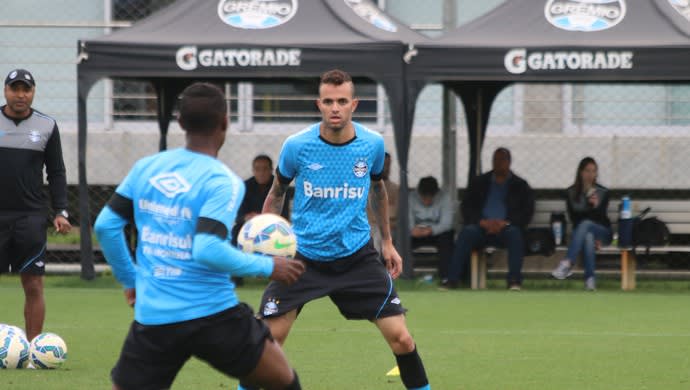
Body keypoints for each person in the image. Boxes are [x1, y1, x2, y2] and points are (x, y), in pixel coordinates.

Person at [94, 82, 305, 390]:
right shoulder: (223, 182)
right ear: (225, 122)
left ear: (180, 123)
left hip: (155, 319)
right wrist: (269, 267)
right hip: (214, 315)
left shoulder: (146, 168)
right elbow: (206, 248)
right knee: (283, 381)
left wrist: (131, 280)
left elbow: (106, 226)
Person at [238, 69, 431, 390]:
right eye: (328, 101)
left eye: (342, 101)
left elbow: (378, 190)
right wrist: (265, 241)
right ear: (319, 104)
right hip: (303, 258)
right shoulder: (297, 146)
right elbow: (277, 192)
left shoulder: (371, 145)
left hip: (357, 257)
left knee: (402, 339)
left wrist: (387, 243)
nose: (335, 108)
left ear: (354, 104)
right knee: (267, 343)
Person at [0, 68, 72, 342]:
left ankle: (32, 349)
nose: (20, 95)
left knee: (33, 283)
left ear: (33, 92)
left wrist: (61, 211)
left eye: (26, 90)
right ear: (5, 90)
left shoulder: (47, 126)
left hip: (30, 217)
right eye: (15, 89)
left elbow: (56, 172)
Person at [446, 147, 534, 290]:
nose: (498, 163)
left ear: (509, 162)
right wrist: (481, 222)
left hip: (506, 229)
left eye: (502, 160)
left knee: (515, 235)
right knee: (467, 232)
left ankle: (514, 281)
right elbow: (467, 207)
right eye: (495, 160)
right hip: (481, 228)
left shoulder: (520, 185)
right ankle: (452, 280)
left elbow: (526, 212)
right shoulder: (479, 182)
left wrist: (506, 223)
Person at [551, 157, 612, 291]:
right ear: (580, 172)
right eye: (587, 171)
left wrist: (596, 206)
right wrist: (588, 206)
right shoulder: (571, 193)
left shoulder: (603, 192)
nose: (591, 175)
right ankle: (590, 280)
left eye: (594, 171)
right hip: (582, 232)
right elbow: (574, 220)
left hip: (603, 232)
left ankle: (567, 262)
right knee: (588, 235)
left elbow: (602, 220)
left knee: (587, 227)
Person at [231, 154, 275, 286]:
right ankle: (236, 277)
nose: (261, 173)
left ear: (271, 170)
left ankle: (277, 275)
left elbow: (283, 213)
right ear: (253, 170)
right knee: (236, 232)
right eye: (257, 169)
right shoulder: (244, 187)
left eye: (265, 169)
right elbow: (239, 216)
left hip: (272, 227)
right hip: (249, 228)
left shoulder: (277, 186)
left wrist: (262, 219)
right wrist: (247, 218)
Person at [409, 176, 455, 284]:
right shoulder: (410, 197)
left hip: (437, 232)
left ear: (436, 193)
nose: (427, 201)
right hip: (416, 232)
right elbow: (407, 220)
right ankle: (404, 275)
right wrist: (412, 230)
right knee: (403, 240)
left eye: (430, 197)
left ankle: (445, 277)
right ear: (419, 192)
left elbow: (447, 224)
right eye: (424, 197)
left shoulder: (445, 197)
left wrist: (431, 230)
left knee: (447, 238)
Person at [367, 152, 399, 252]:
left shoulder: (395, 189)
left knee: (378, 235)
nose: (386, 168)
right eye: (383, 165)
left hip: (389, 228)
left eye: (388, 165)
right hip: (369, 227)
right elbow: (368, 214)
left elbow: (397, 214)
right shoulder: (366, 187)